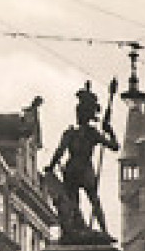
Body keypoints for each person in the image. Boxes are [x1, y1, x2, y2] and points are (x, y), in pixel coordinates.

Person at [44, 81, 119, 237]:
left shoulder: (72, 133)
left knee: (75, 202)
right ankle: (103, 231)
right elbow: (114, 146)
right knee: (92, 201)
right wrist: (110, 130)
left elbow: (60, 151)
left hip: (73, 169)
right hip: (84, 169)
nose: (78, 115)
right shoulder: (91, 133)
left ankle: (75, 231)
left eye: (79, 113)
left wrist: (50, 167)